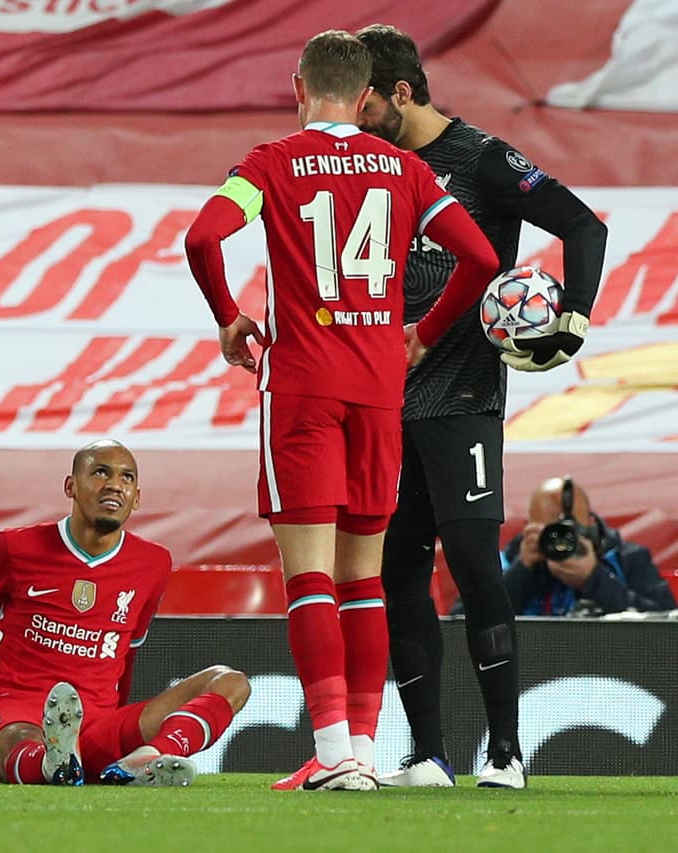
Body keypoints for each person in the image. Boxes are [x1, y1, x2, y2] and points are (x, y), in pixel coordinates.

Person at [184, 30, 499, 791]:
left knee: (310, 579)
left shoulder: (269, 163)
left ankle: (331, 753)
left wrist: (228, 317)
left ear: (299, 88)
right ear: (364, 98)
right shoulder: (406, 168)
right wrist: (423, 333)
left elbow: (202, 237)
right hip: (379, 389)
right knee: (364, 580)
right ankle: (358, 749)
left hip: (303, 387)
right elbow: (483, 257)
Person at [354, 24, 609, 789]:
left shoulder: (481, 159)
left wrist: (573, 318)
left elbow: (582, 223)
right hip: (384, 403)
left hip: (463, 395)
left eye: (366, 105)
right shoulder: (368, 167)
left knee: (473, 566)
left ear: (402, 93)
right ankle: (428, 754)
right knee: (399, 574)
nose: (356, 121)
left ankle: (504, 752)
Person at [0, 440, 251, 787]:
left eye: (126, 477)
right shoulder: (14, 547)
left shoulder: (154, 563)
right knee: (17, 738)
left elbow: (126, 656)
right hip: (15, 708)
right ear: (70, 486)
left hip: (98, 722)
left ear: (137, 498)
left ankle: (148, 758)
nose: (115, 484)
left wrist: (114, 732)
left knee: (231, 682)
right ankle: (51, 763)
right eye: (101, 472)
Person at [499, 478, 676, 617]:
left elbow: (664, 620)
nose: (561, 541)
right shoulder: (511, 558)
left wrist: (593, 578)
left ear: (591, 524)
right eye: (551, 531)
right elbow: (489, 616)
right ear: (530, 527)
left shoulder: (628, 558)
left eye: (570, 531)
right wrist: (522, 570)